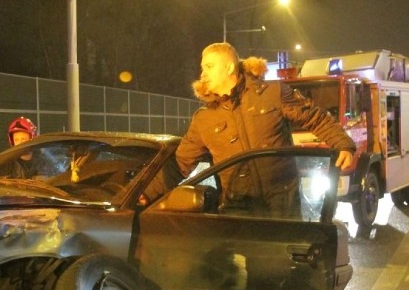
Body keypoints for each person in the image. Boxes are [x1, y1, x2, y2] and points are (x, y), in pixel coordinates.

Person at [143, 42, 356, 217]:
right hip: (239, 209)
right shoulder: (204, 119)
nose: (203, 73)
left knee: (287, 265)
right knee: (254, 268)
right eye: (202, 68)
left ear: (228, 67)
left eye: (209, 66)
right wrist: (145, 194)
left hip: (282, 204)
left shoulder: (273, 93)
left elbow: (315, 118)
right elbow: (180, 164)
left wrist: (343, 144)